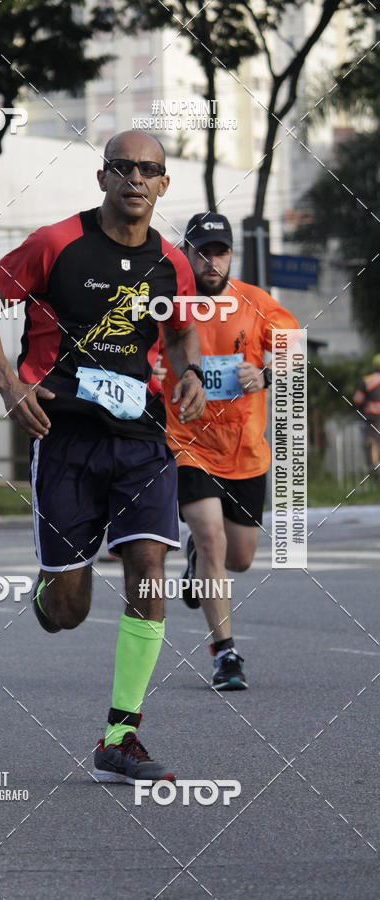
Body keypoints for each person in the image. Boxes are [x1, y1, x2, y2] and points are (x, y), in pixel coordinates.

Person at [0, 130, 206, 784]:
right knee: (68, 612)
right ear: (102, 178)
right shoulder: (55, 245)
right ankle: (49, 589)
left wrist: (190, 374)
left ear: (163, 185)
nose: (135, 179)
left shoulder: (174, 264)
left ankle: (121, 738)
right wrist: (10, 386)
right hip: (64, 436)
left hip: (141, 441)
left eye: (148, 170)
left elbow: (180, 332)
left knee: (148, 566)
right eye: (122, 168)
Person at [159, 212, 299, 690]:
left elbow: (294, 350)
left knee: (239, 558)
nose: (211, 261)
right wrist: (155, 375)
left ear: (231, 255)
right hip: (188, 444)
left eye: (221, 252)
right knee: (212, 536)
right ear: (188, 254)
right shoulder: (172, 307)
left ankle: (198, 559)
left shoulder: (256, 303)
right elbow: (143, 354)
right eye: (202, 252)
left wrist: (266, 375)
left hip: (245, 449)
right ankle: (226, 654)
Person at [353, 354, 380, 475]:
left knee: (371, 442)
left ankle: (375, 471)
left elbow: (357, 399)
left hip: (373, 418)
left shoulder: (368, 381)